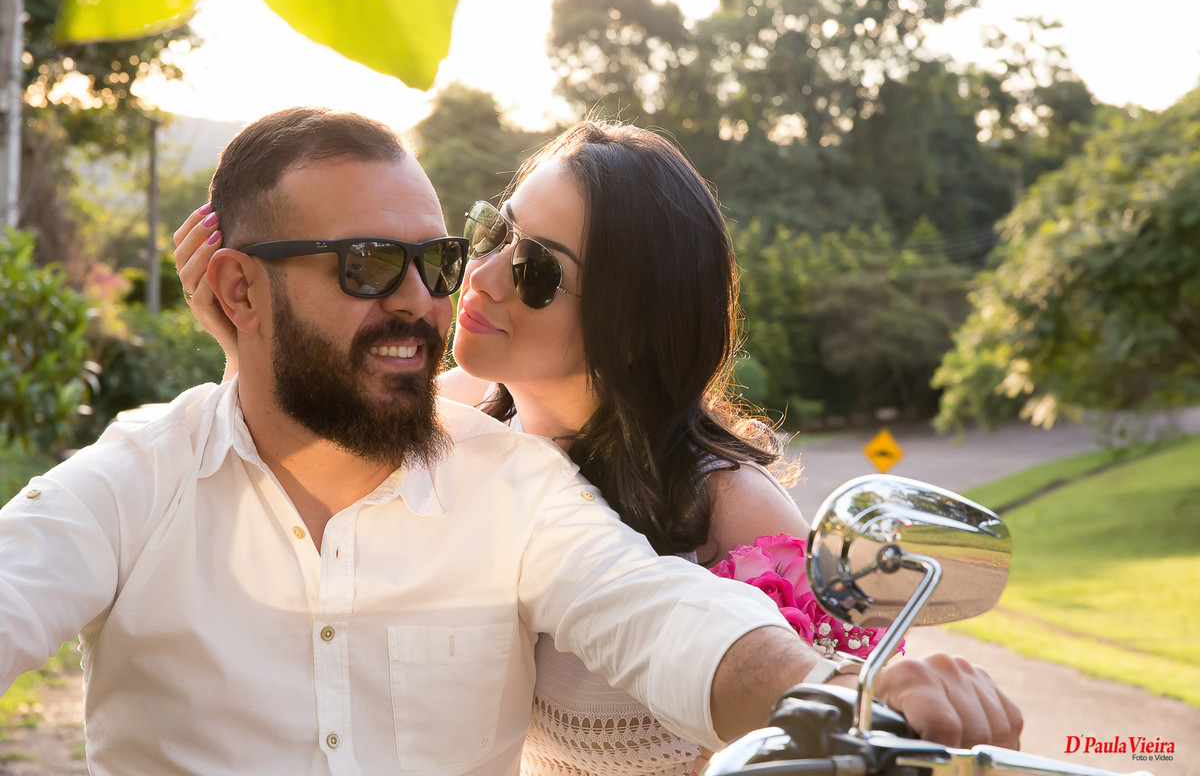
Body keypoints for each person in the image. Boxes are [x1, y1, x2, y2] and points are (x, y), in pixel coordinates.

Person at [170, 110, 1022, 775]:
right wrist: (252, 336)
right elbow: (286, 499)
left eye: (538, 272)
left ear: (629, 329)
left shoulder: (724, 502)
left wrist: (894, 699)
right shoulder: (453, 418)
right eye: (496, 231)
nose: (487, 273)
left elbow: (834, 719)